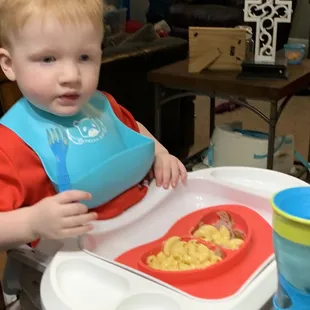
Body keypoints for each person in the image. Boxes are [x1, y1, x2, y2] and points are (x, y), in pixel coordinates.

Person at [0, 0, 187, 251]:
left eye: (84, 57)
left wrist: (160, 154)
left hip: (143, 229)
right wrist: (32, 222)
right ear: (9, 65)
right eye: (48, 58)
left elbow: (133, 130)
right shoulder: (10, 144)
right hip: (81, 262)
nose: (71, 76)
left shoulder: (101, 104)